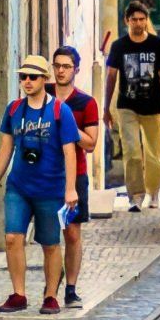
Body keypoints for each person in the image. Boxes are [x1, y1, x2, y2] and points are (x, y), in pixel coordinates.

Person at [0, 54, 81, 311]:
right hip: (19, 186)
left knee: (50, 243)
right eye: (23, 77)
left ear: (44, 79)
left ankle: (51, 296)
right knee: (12, 238)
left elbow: (70, 151)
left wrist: (70, 189)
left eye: (33, 77)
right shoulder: (14, 109)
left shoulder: (61, 111)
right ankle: (19, 294)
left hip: (50, 188)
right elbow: (6, 148)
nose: (27, 81)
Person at [104, 2, 160, 210]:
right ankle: (135, 195)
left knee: (154, 154)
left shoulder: (157, 45)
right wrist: (106, 108)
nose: (138, 23)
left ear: (147, 20)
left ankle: (154, 192)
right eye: (134, 19)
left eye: (142, 19)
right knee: (132, 152)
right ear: (127, 21)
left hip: (153, 107)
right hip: (127, 106)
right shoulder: (119, 46)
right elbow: (111, 77)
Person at [52, 46, 103, 304]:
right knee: (49, 234)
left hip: (76, 175)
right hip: (46, 174)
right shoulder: (43, 94)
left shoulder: (86, 103)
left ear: (76, 71)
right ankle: (50, 289)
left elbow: (92, 143)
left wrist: (68, 122)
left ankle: (70, 289)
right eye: (57, 66)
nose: (61, 71)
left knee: (72, 233)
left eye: (66, 67)